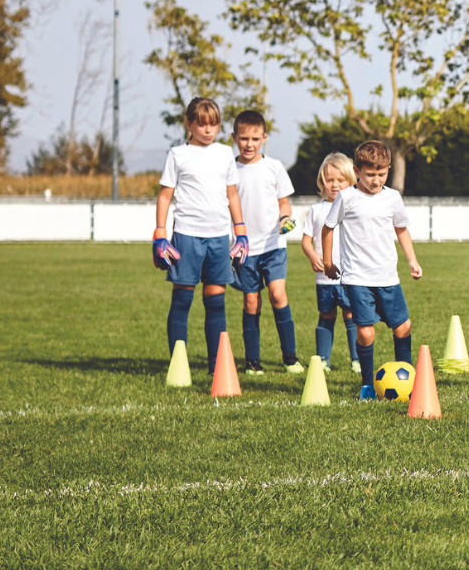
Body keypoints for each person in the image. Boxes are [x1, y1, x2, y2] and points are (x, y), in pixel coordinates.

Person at [152, 97, 249, 376]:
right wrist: (160, 235)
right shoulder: (177, 155)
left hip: (219, 239)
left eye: (214, 124)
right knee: (182, 301)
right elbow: (165, 196)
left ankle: (216, 367)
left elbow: (232, 194)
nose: (208, 130)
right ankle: (177, 367)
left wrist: (240, 232)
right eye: (202, 124)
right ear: (189, 124)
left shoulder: (223, 154)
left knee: (216, 302)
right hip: (186, 236)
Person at [320, 140, 423, 399]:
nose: (376, 180)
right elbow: (327, 229)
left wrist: (412, 259)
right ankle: (367, 385)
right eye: (370, 175)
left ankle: (407, 379)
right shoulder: (346, 197)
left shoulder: (392, 198)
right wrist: (329, 262)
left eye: (382, 174)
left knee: (403, 327)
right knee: (366, 332)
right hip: (357, 278)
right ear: (356, 171)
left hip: (388, 277)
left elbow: (401, 229)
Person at [227, 110, 301, 374]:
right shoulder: (228, 169)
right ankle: (252, 362)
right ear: (234, 137)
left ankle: (290, 358)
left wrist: (284, 219)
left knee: (278, 294)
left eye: (255, 138)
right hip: (244, 249)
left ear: (264, 139)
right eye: (244, 138)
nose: (249, 144)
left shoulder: (274, 167)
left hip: (272, 246)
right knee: (251, 302)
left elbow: (284, 203)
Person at [300, 152, 363, 373]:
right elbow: (306, 241)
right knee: (326, 316)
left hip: (350, 276)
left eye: (340, 180)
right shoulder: (316, 211)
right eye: (330, 180)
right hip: (324, 279)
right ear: (322, 182)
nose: (334, 184)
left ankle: (357, 360)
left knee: (351, 316)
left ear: (351, 181)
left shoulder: (354, 208)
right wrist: (313, 256)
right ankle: (323, 360)